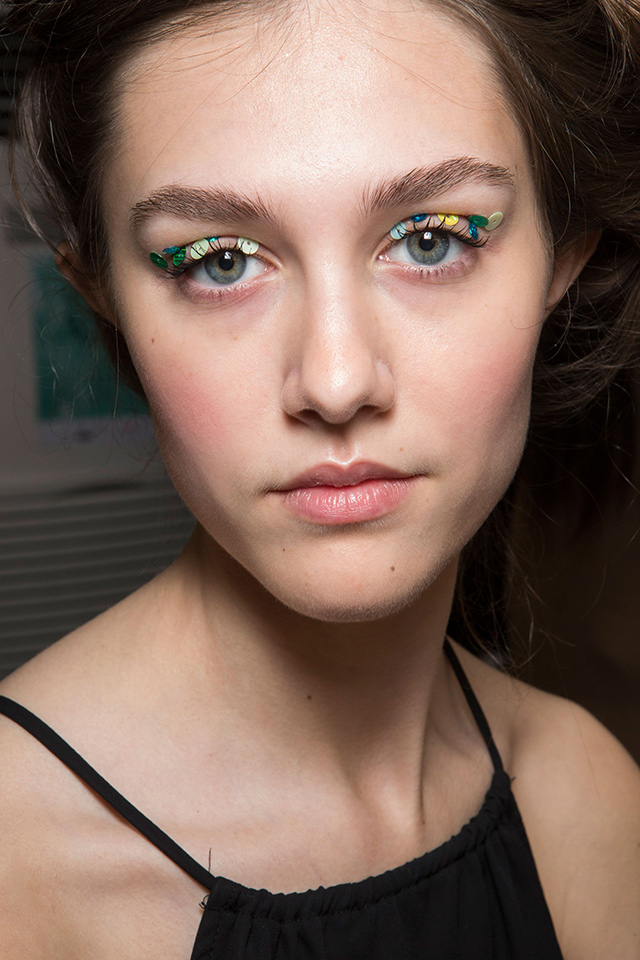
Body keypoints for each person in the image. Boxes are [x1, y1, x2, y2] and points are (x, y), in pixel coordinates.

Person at [1, 0, 639, 957]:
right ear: (104, 298)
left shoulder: (587, 798)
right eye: (219, 261)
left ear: (563, 260)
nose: (336, 383)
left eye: (432, 239)